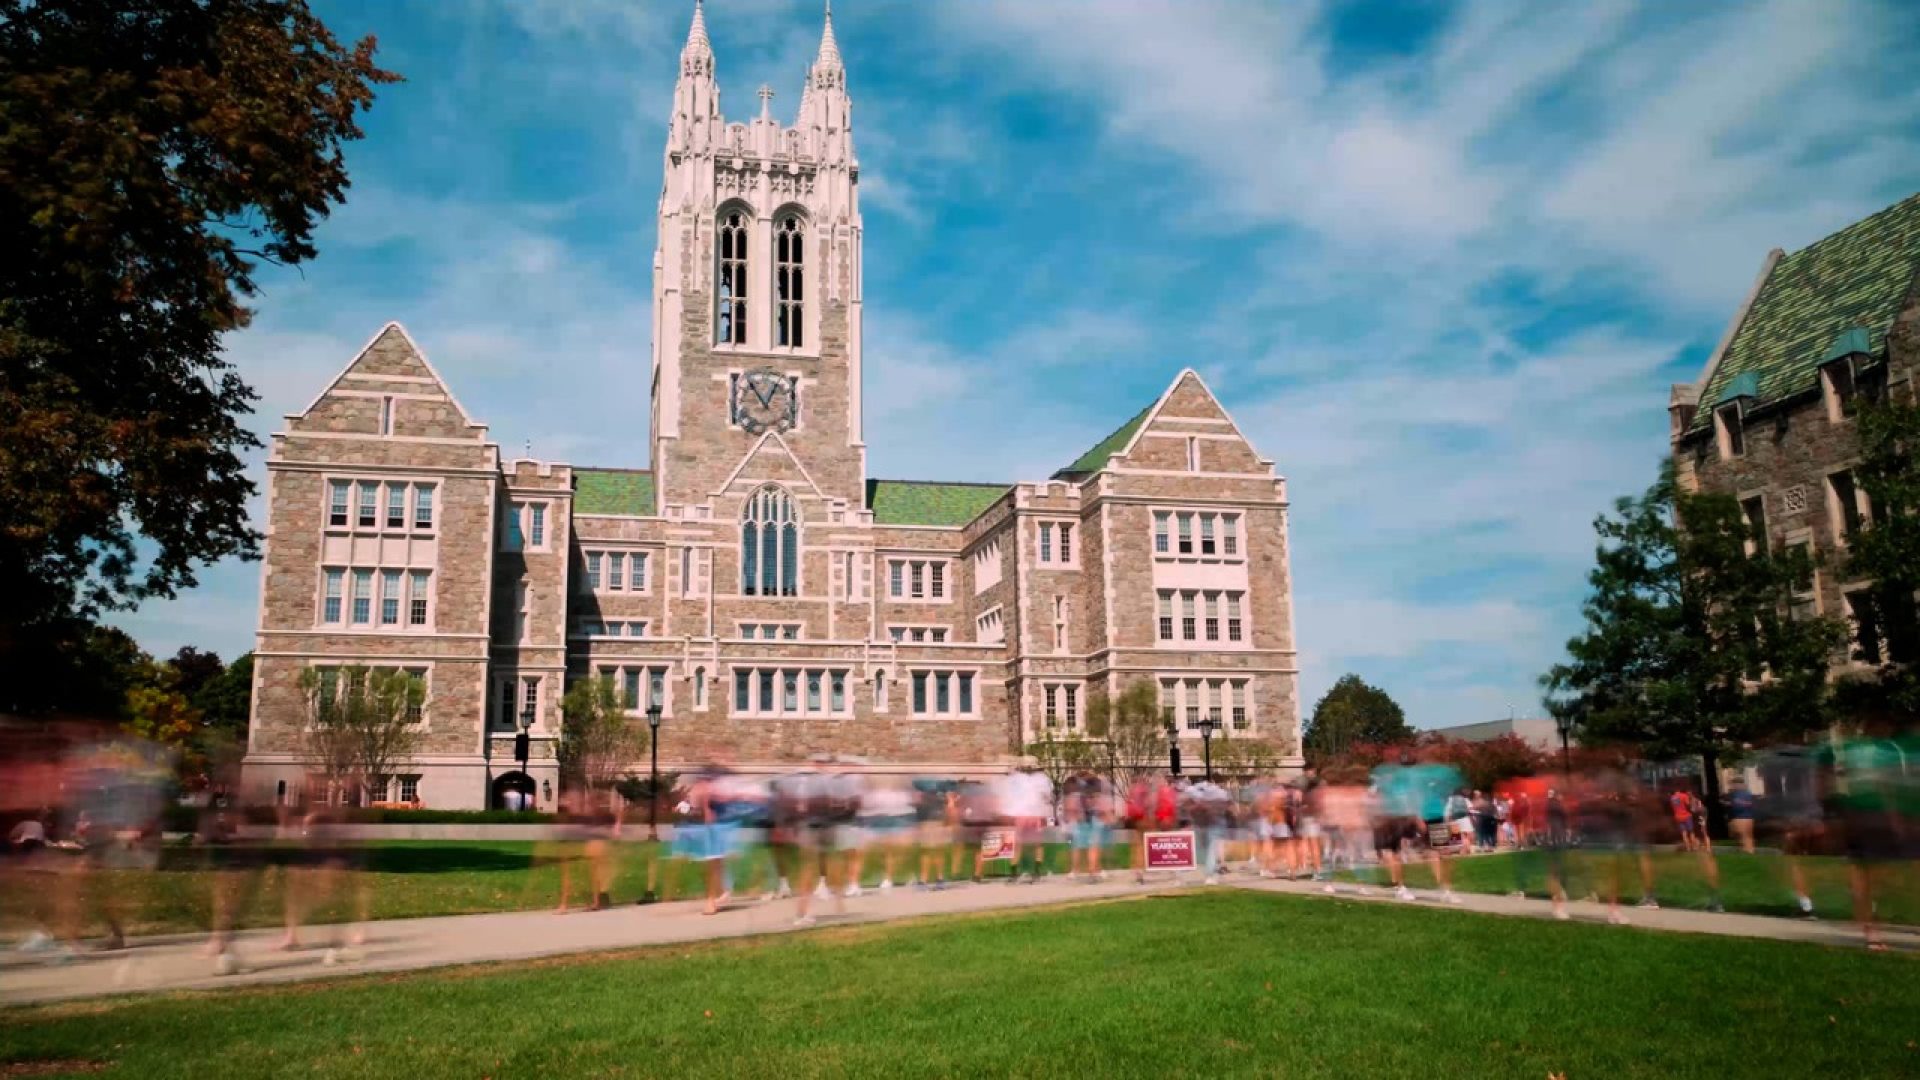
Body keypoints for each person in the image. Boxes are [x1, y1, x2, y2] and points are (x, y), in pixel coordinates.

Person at [1727, 781, 1757, 855]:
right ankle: (1747, 852)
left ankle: (1747, 853)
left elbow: (1739, 806)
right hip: (1747, 818)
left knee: (1743, 838)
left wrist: (1734, 804)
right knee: (1746, 838)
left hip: (1741, 818)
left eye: (1733, 785)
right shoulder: (1747, 794)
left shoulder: (1739, 794)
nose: (1732, 787)